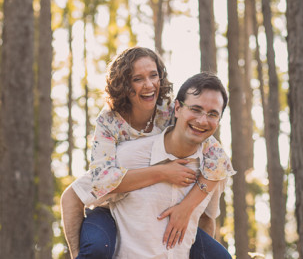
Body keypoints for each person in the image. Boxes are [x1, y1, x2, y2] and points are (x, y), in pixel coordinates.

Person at [60, 47, 235, 258]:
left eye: (154, 75)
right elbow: (101, 181)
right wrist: (163, 172)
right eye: (138, 78)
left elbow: (218, 160)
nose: (149, 84)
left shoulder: (171, 111)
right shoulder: (109, 121)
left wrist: (186, 208)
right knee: (97, 247)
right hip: (110, 207)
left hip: (156, 207)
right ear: (124, 85)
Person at [109, 72, 232, 258]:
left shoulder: (214, 164)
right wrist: (162, 172)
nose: (202, 120)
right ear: (177, 108)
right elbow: (80, 195)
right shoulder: (128, 153)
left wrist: (187, 207)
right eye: (196, 109)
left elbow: (206, 220)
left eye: (213, 114)